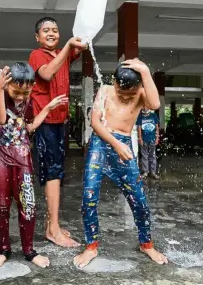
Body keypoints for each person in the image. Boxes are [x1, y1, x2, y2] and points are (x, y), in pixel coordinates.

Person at [73, 59, 168, 268]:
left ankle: (146, 243)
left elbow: (156, 105)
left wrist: (144, 70)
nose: (125, 97)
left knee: (139, 200)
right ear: (114, 82)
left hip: (123, 145)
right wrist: (115, 144)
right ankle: (91, 246)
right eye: (121, 91)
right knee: (89, 196)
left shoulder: (143, 93)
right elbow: (95, 122)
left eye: (130, 94)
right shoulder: (105, 90)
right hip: (101, 143)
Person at [0, 62, 69, 269]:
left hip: (23, 157)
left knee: (28, 205)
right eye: (16, 91)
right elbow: (1, 118)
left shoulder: (28, 100)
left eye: (26, 92)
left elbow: (29, 126)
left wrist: (48, 108)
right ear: (7, 85)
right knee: (2, 205)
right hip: (1, 157)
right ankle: (4, 249)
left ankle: (29, 250)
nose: (21, 96)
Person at [28, 16, 88, 247]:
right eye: (46, 30)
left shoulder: (63, 52)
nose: (51, 33)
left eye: (55, 30)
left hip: (60, 121)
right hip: (45, 122)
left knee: (57, 173)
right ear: (38, 36)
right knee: (52, 174)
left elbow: (81, 45)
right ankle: (52, 229)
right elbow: (46, 74)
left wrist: (84, 32)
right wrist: (68, 47)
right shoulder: (37, 55)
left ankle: (52, 224)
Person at [136, 107, 160, 179]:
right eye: (143, 106)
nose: (145, 107)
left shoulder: (153, 115)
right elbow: (139, 127)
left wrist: (157, 138)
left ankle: (153, 172)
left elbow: (157, 127)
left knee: (152, 155)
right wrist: (140, 138)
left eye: (146, 106)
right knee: (144, 156)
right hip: (144, 139)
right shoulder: (140, 116)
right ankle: (145, 172)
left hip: (152, 139)